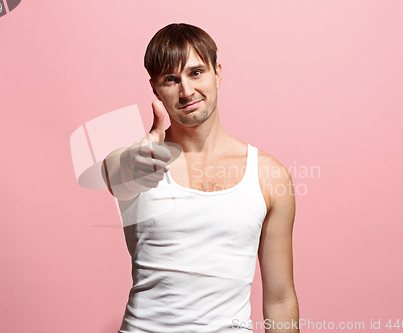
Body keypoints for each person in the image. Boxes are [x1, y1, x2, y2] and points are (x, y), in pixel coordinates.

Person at [102, 23, 299, 333]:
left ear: (217, 73)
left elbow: (279, 298)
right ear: (155, 89)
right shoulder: (141, 162)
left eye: (196, 73)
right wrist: (132, 164)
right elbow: (113, 169)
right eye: (171, 79)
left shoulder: (268, 174)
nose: (186, 91)